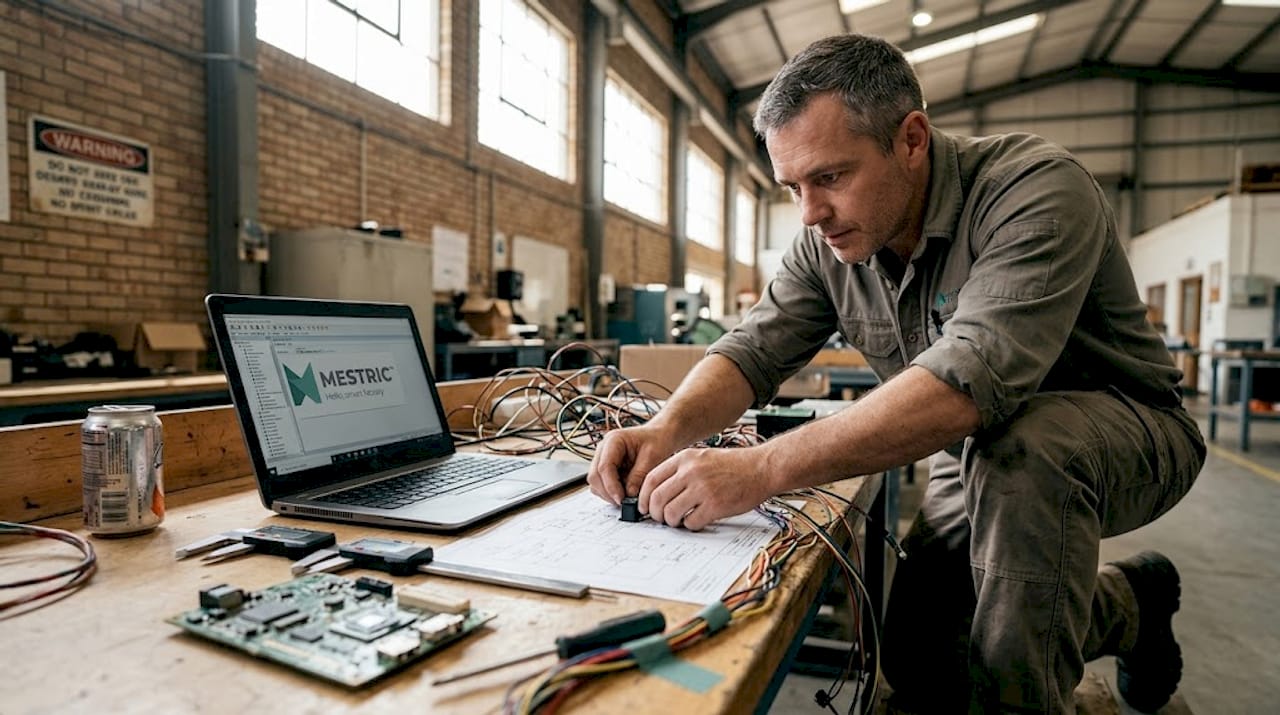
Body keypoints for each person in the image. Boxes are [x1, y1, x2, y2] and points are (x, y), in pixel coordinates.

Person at [587, 34, 1204, 714]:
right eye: (792, 186)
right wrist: (666, 428)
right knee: (918, 654)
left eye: (829, 177)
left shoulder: (1033, 189)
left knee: (1025, 490)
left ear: (911, 138)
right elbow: (752, 348)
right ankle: (1128, 603)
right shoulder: (829, 242)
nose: (810, 212)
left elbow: (964, 384)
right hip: (980, 450)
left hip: (1128, 433)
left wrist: (758, 470)